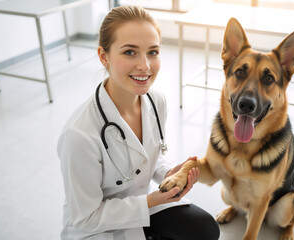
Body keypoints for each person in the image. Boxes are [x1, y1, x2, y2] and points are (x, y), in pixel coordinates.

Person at [57, 5, 220, 240]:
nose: (145, 65)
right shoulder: (79, 134)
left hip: (141, 206)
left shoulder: (155, 101)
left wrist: (168, 174)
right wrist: (150, 201)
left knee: (205, 229)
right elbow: (86, 217)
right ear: (104, 56)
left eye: (152, 52)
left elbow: (149, 156)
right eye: (130, 52)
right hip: (96, 227)